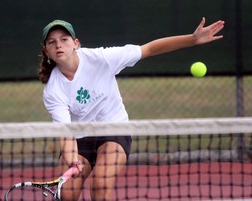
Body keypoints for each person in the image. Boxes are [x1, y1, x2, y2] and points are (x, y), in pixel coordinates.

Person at [38, 18, 224, 200]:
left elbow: (148, 49)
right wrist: (73, 160)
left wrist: (192, 39)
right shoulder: (53, 90)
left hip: (113, 130)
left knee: (100, 186)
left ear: (76, 43)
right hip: (78, 140)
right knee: (67, 194)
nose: (58, 45)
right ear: (47, 51)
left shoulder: (103, 59)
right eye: (52, 42)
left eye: (64, 39)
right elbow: (66, 133)